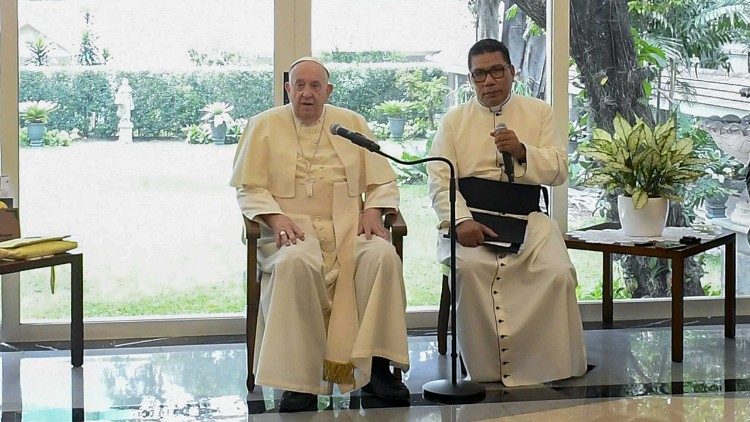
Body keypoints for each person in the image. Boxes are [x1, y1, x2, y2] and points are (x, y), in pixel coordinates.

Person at [230, 57, 410, 412]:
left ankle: (375, 366)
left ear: (328, 91)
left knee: (381, 256)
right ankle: (301, 380)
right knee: (296, 263)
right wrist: (276, 218)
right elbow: (247, 188)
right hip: (291, 228)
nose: (307, 94)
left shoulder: (351, 123)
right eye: (299, 85)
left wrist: (373, 210)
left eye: (315, 86)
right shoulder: (263, 125)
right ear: (288, 89)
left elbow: (383, 179)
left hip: (349, 223)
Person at [426, 39, 587, 387]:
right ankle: (484, 370)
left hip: (527, 220)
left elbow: (559, 170)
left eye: (496, 71)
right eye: (479, 74)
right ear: (471, 79)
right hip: (473, 219)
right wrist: (461, 220)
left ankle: (545, 364)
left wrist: (522, 150)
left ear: (512, 72)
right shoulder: (454, 121)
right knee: (470, 269)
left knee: (557, 273)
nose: (489, 81)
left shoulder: (539, 112)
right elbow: (439, 179)